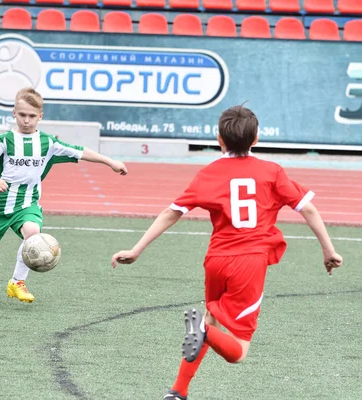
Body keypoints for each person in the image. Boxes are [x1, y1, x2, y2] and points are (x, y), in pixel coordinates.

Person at [111, 105, 343, 400]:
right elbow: (307, 208)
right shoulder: (271, 172)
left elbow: (172, 212)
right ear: (256, 138)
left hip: (216, 261)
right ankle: (202, 338)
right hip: (248, 264)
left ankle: (178, 390)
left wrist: (136, 249)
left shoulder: (209, 173)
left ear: (219, 139)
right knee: (238, 351)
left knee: (210, 319)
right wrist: (328, 250)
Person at [0, 87, 128, 303]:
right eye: (23, 115)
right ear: (14, 114)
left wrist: (111, 162)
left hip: (28, 204)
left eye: (32, 116)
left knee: (33, 234)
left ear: (40, 117)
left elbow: (81, 151)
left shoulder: (48, 143)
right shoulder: (4, 141)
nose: (27, 120)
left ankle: (17, 282)